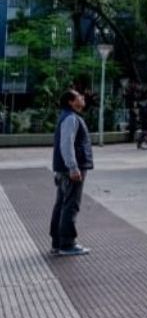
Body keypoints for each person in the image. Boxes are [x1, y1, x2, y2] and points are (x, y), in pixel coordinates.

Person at [50, 89, 93, 256]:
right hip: (71, 170)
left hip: (64, 169)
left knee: (62, 204)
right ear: (70, 102)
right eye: (78, 96)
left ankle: (58, 242)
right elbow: (66, 144)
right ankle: (67, 243)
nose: (82, 98)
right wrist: (73, 167)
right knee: (70, 205)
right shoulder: (70, 118)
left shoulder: (67, 116)